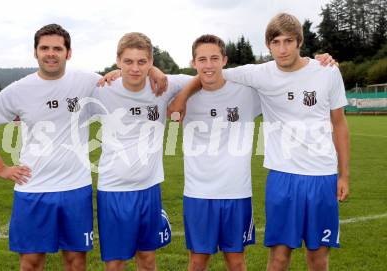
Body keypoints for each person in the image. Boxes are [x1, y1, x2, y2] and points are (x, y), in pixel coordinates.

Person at [170, 13, 349, 271]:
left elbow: (339, 123)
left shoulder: (327, 71)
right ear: (268, 45)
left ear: (300, 42)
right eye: (276, 42)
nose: (282, 48)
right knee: (278, 258)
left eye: (288, 41)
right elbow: (210, 71)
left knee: (319, 258)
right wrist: (182, 96)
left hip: (322, 175)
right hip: (282, 176)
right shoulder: (259, 74)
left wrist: (343, 175)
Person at [0, 24, 101, 271]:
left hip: (76, 188)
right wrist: (0, 168)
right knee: (31, 262)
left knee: (76, 261)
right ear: (35, 52)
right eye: (45, 48)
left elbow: (128, 79)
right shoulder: (19, 90)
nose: (51, 53)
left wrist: (154, 71)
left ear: (68, 53)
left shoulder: (88, 81)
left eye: (57, 48)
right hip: (34, 189)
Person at [91, 32, 191, 271]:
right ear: (118, 61)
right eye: (128, 62)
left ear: (151, 62)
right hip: (114, 190)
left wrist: (179, 97)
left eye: (142, 62)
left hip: (149, 189)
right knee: (115, 263)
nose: (135, 68)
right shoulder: (102, 89)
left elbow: (202, 78)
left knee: (147, 259)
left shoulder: (164, 85)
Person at [180, 34, 261, 271]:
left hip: (237, 192)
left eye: (214, 58)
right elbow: (145, 74)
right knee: (197, 260)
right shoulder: (180, 89)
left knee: (236, 260)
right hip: (198, 193)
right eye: (202, 59)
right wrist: (115, 73)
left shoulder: (247, 93)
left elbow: (282, 75)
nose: (208, 65)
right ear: (194, 63)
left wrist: (318, 61)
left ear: (224, 60)